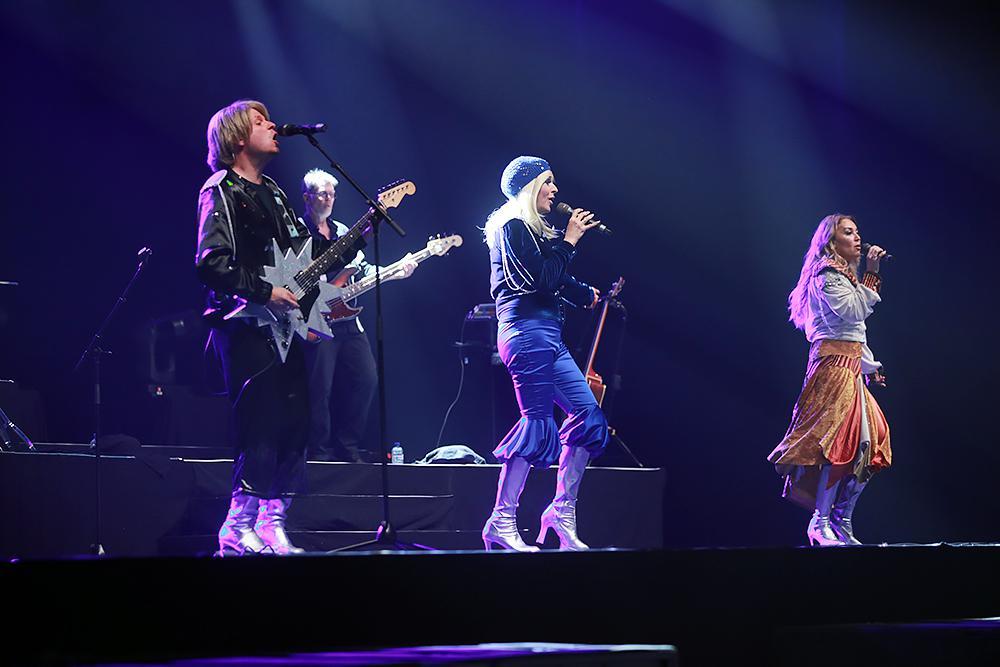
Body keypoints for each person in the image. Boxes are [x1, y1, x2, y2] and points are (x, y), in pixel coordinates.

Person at [195, 100, 358, 555]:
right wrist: (264, 292)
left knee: (295, 422)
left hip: (284, 328)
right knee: (260, 422)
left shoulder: (274, 192)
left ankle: (272, 524)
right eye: (260, 122)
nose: (272, 126)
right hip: (243, 322)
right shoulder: (221, 189)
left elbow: (307, 258)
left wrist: (359, 234)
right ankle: (236, 526)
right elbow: (210, 262)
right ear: (236, 137)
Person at [481, 156, 609, 552]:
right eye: (548, 182)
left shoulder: (532, 232)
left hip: (549, 336)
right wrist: (569, 241)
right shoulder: (511, 225)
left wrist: (583, 292)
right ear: (529, 185)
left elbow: (554, 276)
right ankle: (501, 519)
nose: (554, 190)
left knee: (588, 416)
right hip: (525, 332)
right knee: (537, 422)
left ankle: (561, 511)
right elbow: (540, 278)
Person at [768, 214, 891, 546]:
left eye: (857, 231)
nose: (857, 238)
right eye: (848, 232)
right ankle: (819, 522)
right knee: (840, 445)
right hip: (833, 368)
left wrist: (869, 365)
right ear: (831, 243)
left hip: (850, 367)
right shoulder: (826, 275)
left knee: (872, 442)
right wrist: (872, 274)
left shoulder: (844, 277)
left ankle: (841, 519)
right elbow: (853, 313)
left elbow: (853, 332)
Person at [299, 169, 417, 462]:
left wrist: (393, 271)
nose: (329, 199)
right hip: (316, 318)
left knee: (366, 379)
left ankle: (348, 446)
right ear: (307, 198)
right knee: (319, 389)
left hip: (349, 322)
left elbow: (363, 269)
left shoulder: (342, 231)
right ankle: (318, 452)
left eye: (332, 194)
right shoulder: (298, 232)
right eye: (323, 194)